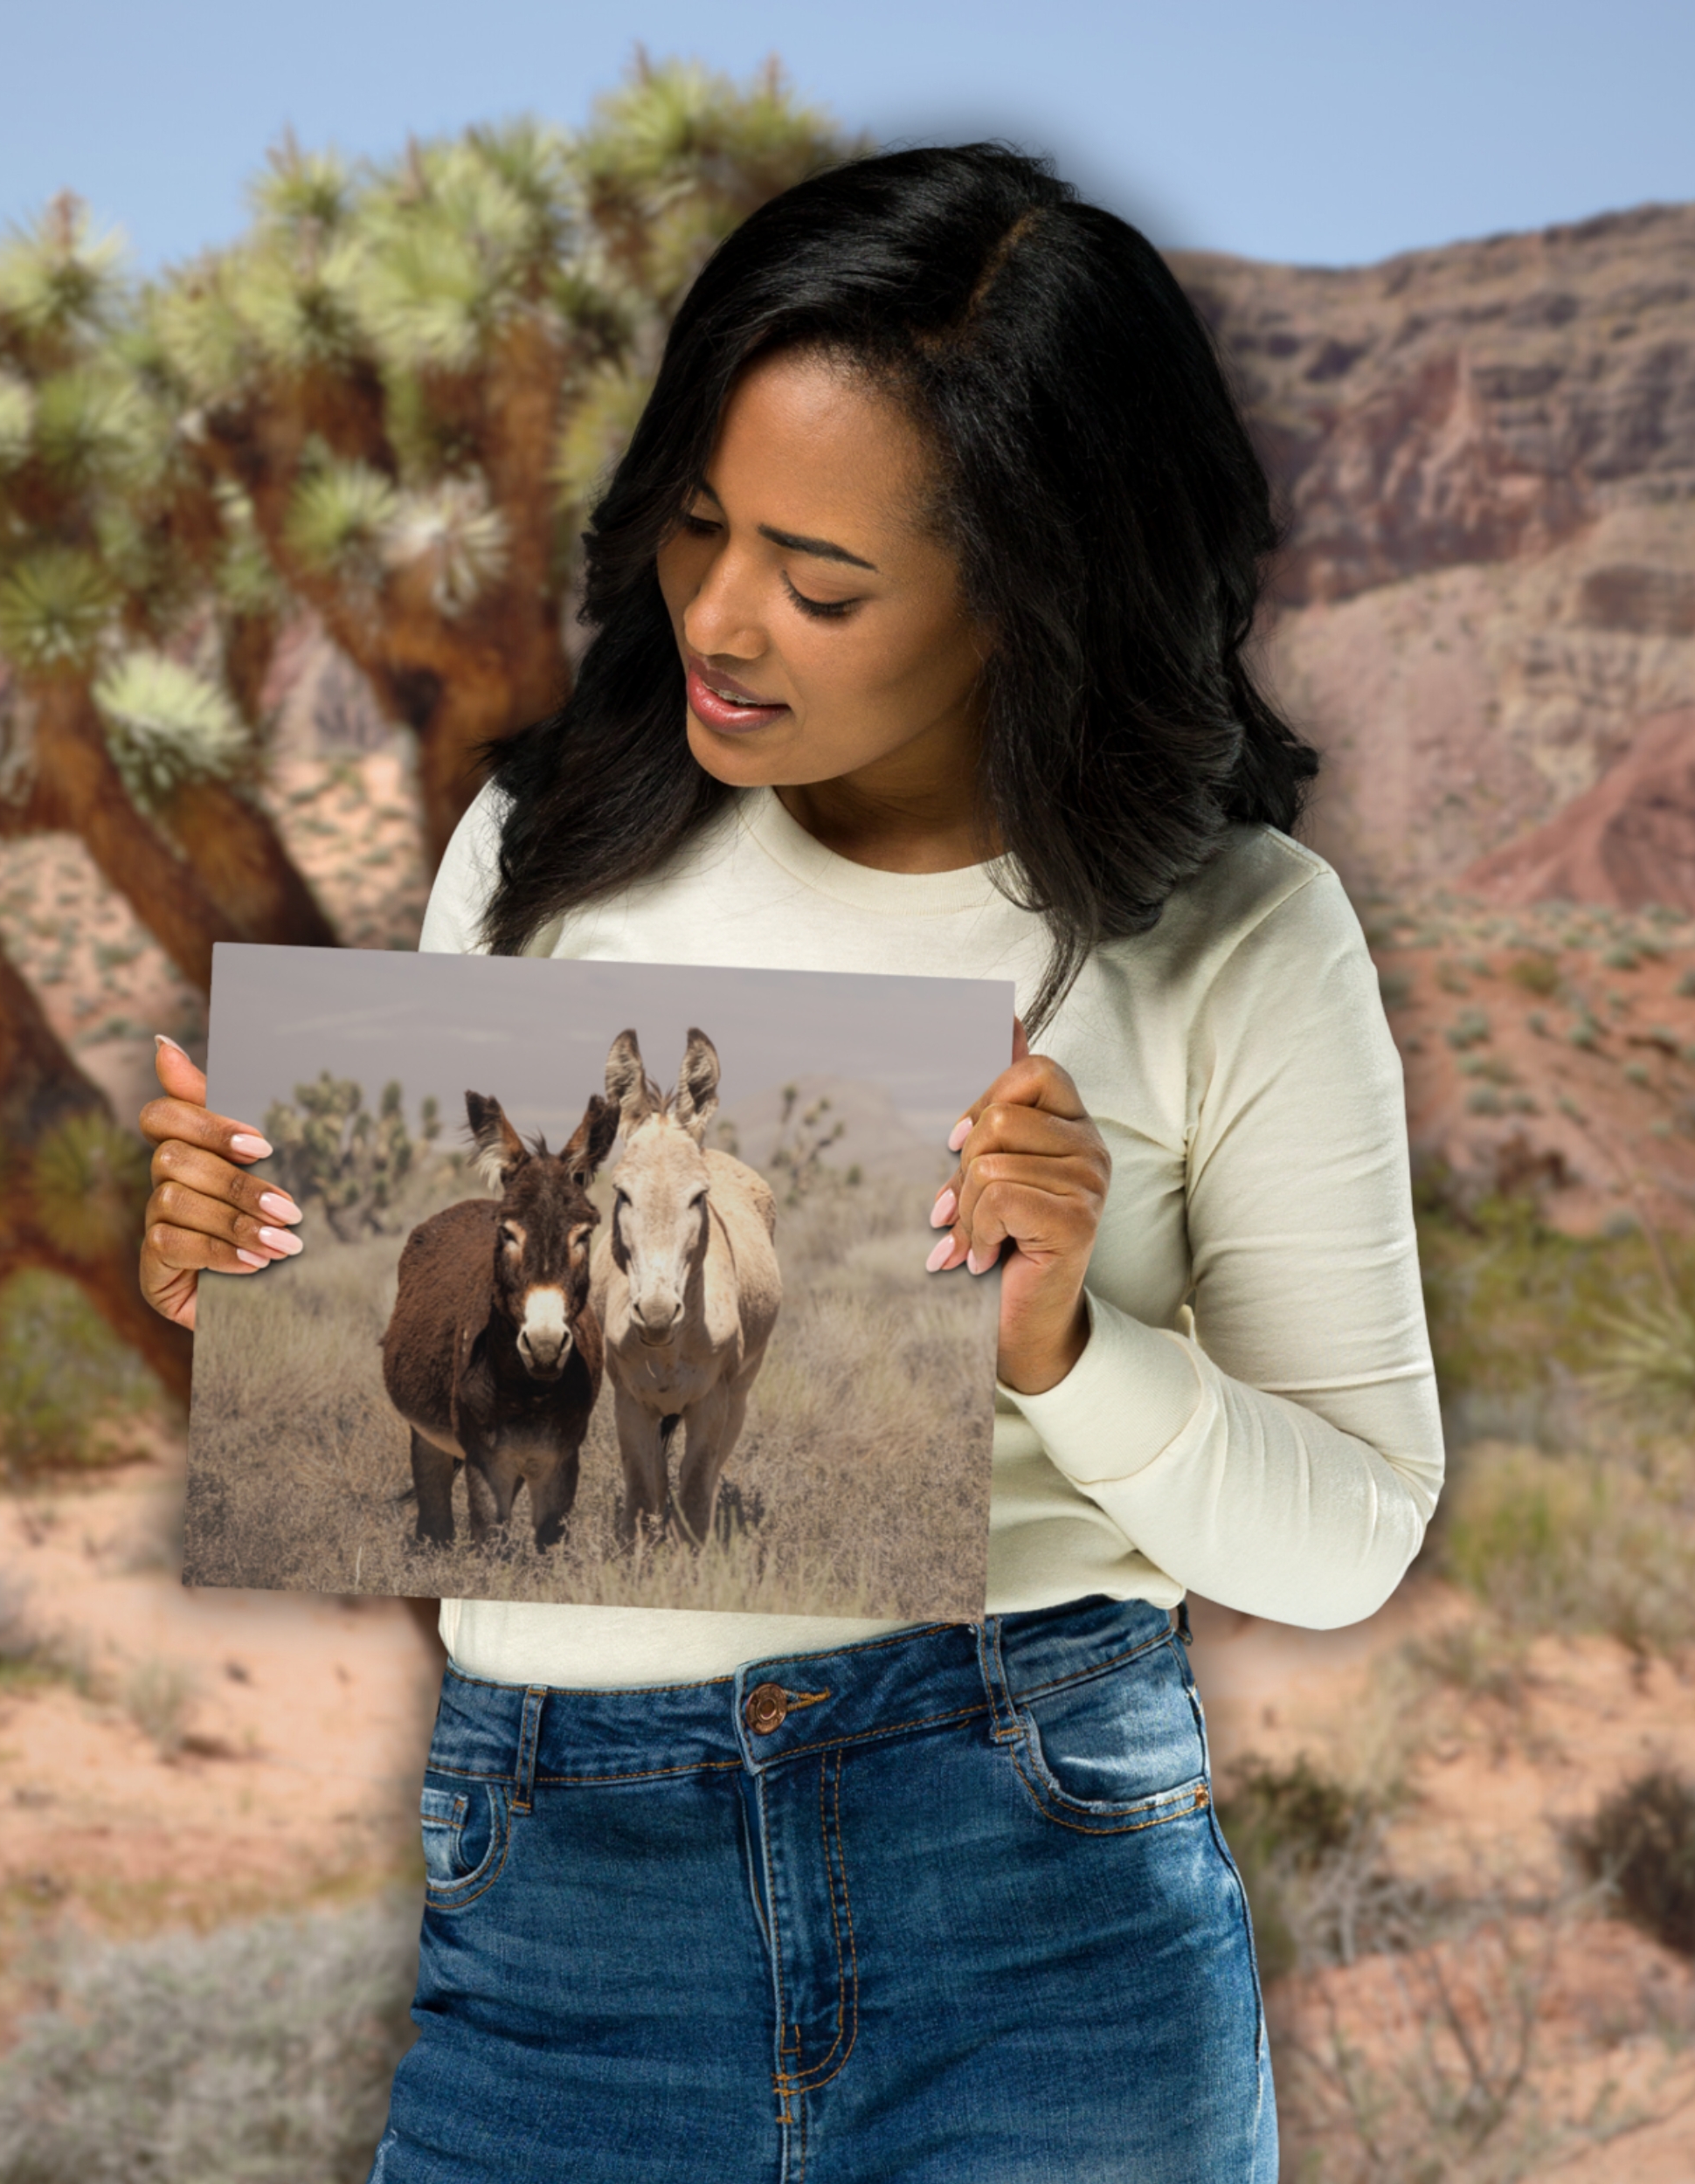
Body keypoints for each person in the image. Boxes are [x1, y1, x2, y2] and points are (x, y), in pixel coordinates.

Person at [136, 143, 1442, 2183]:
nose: (721, 620)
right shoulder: (545, 846)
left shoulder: (1237, 932)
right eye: (693, 525)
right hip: (561, 1904)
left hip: (1042, 1903)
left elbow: (1350, 1533)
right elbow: (433, 1371)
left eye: (820, 582)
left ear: (1032, 582)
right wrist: (244, 1257)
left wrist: (1061, 1350)